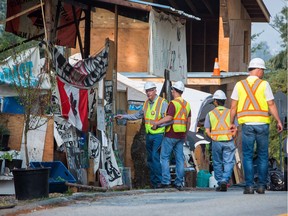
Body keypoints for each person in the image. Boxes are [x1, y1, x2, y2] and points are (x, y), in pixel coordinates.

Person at [230, 57, 283, 194]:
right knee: (262, 155)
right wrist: (278, 120)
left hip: (247, 125)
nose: (263, 73)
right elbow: (271, 104)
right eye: (263, 70)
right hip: (262, 124)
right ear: (258, 70)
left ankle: (249, 186)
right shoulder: (264, 85)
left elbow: (233, 107)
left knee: (247, 155)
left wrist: (232, 123)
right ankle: (261, 186)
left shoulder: (239, 85)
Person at [115, 81, 168, 189]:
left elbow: (168, 119)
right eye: (147, 91)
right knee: (149, 159)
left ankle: (158, 181)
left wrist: (158, 124)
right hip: (149, 134)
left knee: (154, 156)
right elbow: (136, 116)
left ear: (155, 91)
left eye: (150, 91)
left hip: (158, 134)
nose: (148, 93)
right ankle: (153, 182)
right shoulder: (146, 104)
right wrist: (124, 116)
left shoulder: (163, 103)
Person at [152, 81, 191, 191]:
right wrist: (185, 134)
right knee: (179, 159)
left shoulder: (173, 104)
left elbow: (169, 118)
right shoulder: (187, 104)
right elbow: (188, 121)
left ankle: (166, 181)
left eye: (172, 90)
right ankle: (178, 183)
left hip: (171, 134)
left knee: (164, 158)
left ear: (174, 91)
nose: (172, 92)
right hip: (181, 135)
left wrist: (157, 123)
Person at [204, 90, 237, 192]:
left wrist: (213, 137)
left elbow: (207, 130)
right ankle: (224, 180)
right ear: (224, 101)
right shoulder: (230, 113)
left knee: (217, 162)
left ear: (215, 101)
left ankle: (220, 182)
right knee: (228, 162)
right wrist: (233, 137)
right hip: (228, 140)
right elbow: (235, 128)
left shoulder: (210, 114)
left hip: (216, 141)